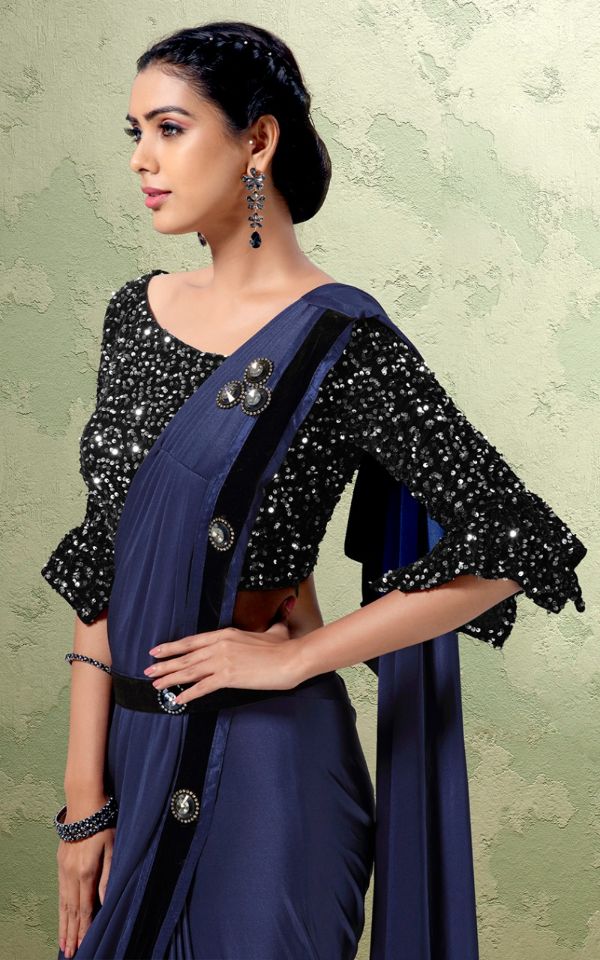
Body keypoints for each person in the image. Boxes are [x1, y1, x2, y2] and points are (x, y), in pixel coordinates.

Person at [40, 20, 587, 960]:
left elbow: (518, 539)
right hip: (131, 757)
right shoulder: (134, 316)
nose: (141, 159)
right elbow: (102, 566)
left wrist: (298, 660)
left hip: (270, 777)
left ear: (258, 140)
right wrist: (83, 803)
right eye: (135, 133)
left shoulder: (342, 343)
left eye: (169, 129)